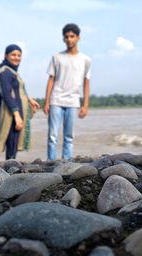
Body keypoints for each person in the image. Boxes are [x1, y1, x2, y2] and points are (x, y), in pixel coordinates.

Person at [44, 23, 91, 161]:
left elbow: (86, 83)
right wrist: (46, 101)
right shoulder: (57, 57)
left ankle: (67, 163)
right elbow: (51, 79)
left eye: (72, 36)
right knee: (52, 136)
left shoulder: (86, 60)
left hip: (73, 101)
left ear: (78, 38)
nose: (69, 39)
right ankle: (50, 163)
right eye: (67, 36)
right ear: (63, 39)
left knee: (69, 136)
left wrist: (85, 105)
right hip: (56, 100)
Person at [0, 44, 40, 160]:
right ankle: (10, 169)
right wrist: (16, 115)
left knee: (14, 142)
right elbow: (7, 94)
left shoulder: (12, 72)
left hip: (17, 111)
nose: (16, 57)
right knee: (12, 142)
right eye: (13, 55)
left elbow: (17, 90)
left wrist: (29, 99)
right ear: (6, 56)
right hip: (11, 113)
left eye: (19, 55)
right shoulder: (4, 72)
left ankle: (11, 167)